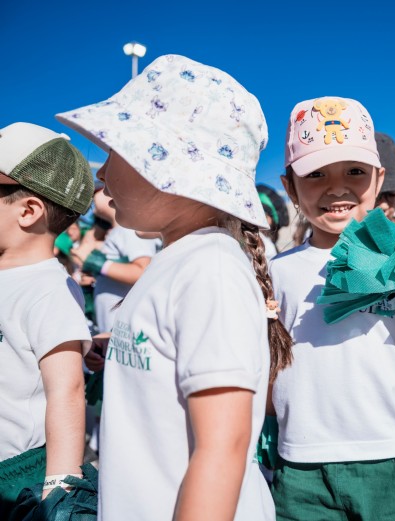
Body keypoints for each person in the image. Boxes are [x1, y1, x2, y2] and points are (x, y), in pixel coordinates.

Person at [57, 54, 289, 521]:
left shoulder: (209, 269)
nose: (101, 174)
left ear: (176, 169)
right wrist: (123, 347)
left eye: (115, 153)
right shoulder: (183, 260)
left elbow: (223, 448)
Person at [269, 96, 395, 520]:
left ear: (378, 181)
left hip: (394, 458)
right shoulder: (275, 272)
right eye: (316, 173)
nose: (336, 187)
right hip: (302, 465)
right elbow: (267, 364)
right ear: (290, 187)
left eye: (354, 172)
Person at [0, 122, 94, 515]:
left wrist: (59, 492)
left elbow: (66, 390)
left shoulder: (48, 288)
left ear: (28, 211)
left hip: (14, 475)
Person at [82, 185, 159, 333]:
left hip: (122, 329)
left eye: (103, 189)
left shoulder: (129, 230)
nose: (93, 195)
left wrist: (100, 265)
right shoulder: (119, 231)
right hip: (111, 329)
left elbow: (142, 271)